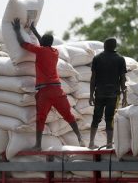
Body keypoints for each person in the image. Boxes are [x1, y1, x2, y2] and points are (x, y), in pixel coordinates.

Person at [12, 18, 85, 150]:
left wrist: (17, 30)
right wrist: (34, 30)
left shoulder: (39, 51)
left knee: (41, 118)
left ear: (43, 43)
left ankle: (38, 145)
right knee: (68, 115)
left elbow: (23, 43)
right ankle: (80, 137)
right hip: (57, 90)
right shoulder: (54, 52)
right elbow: (43, 42)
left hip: (44, 92)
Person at [89, 37, 127, 149]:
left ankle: (91, 143)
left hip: (99, 93)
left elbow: (93, 79)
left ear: (104, 45)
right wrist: (124, 95)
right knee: (109, 119)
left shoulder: (97, 58)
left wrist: (91, 95)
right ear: (115, 47)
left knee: (96, 118)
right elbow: (123, 79)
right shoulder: (120, 59)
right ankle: (109, 144)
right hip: (113, 95)